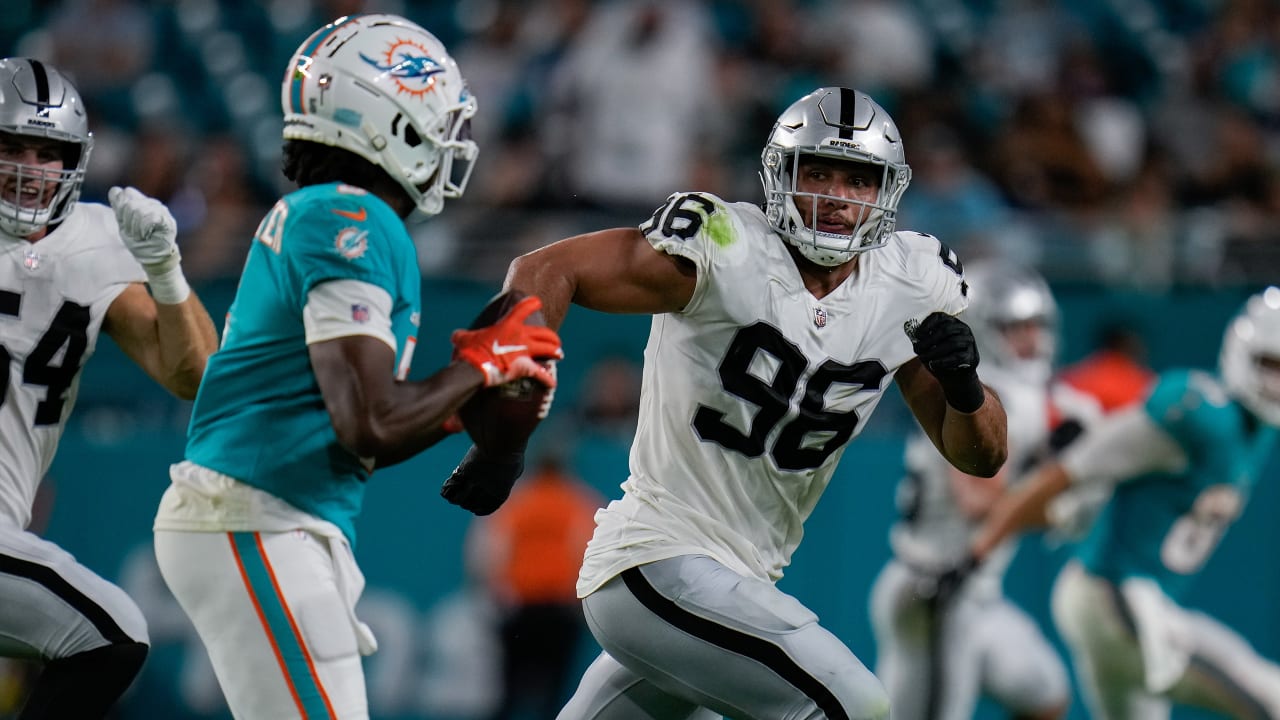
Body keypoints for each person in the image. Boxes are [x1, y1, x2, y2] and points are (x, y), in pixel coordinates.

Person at [448, 87, 1008, 719]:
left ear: (887, 191)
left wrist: (964, 386)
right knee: (854, 705)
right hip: (656, 558)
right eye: (817, 172)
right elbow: (544, 270)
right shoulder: (725, 244)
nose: (835, 196)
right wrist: (505, 431)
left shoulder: (912, 281)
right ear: (780, 175)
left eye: (858, 179)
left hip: (731, 586)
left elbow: (982, 457)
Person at [150, 15, 562, 720]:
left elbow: (358, 430)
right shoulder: (352, 221)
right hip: (255, 518)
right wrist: (484, 363)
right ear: (386, 121)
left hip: (269, 515)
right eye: (438, 116)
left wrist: (459, 406)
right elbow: (368, 421)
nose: (450, 138)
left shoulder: (336, 215)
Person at [0, 57, 219, 718]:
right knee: (112, 633)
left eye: (48, 152)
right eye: (13, 147)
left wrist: (165, 270)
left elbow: (194, 374)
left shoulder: (92, 243)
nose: (30, 168)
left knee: (108, 638)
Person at [969, 287, 1280, 719]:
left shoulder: (1257, 431)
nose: (1275, 381)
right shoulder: (1197, 413)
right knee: (1269, 695)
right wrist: (980, 549)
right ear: (1241, 353)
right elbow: (1073, 469)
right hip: (1113, 596)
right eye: (1269, 364)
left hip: (1134, 603)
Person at [869, 260, 1102, 720]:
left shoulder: (1034, 396)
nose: (1031, 340)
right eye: (1015, 328)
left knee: (1046, 693)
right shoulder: (984, 396)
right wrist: (1057, 496)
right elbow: (978, 501)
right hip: (936, 585)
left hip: (978, 593)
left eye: (1036, 326)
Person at [467, 453, 603, 720]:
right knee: (556, 697)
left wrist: (498, 599)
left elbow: (485, 556)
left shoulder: (514, 502)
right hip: (559, 611)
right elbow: (592, 555)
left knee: (507, 693)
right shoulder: (579, 502)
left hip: (520, 610)